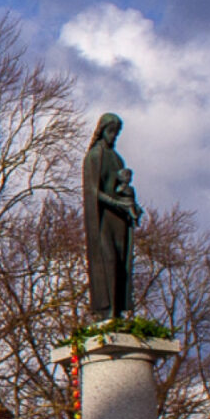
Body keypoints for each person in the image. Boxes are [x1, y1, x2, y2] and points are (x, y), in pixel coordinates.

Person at [84, 113, 141, 320]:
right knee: (107, 261)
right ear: (102, 130)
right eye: (111, 131)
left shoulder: (117, 159)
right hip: (103, 219)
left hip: (120, 222)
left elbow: (123, 187)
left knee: (120, 264)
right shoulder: (94, 156)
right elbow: (92, 191)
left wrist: (132, 204)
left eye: (117, 132)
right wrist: (117, 203)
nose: (114, 136)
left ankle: (117, 311)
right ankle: (106, 310)